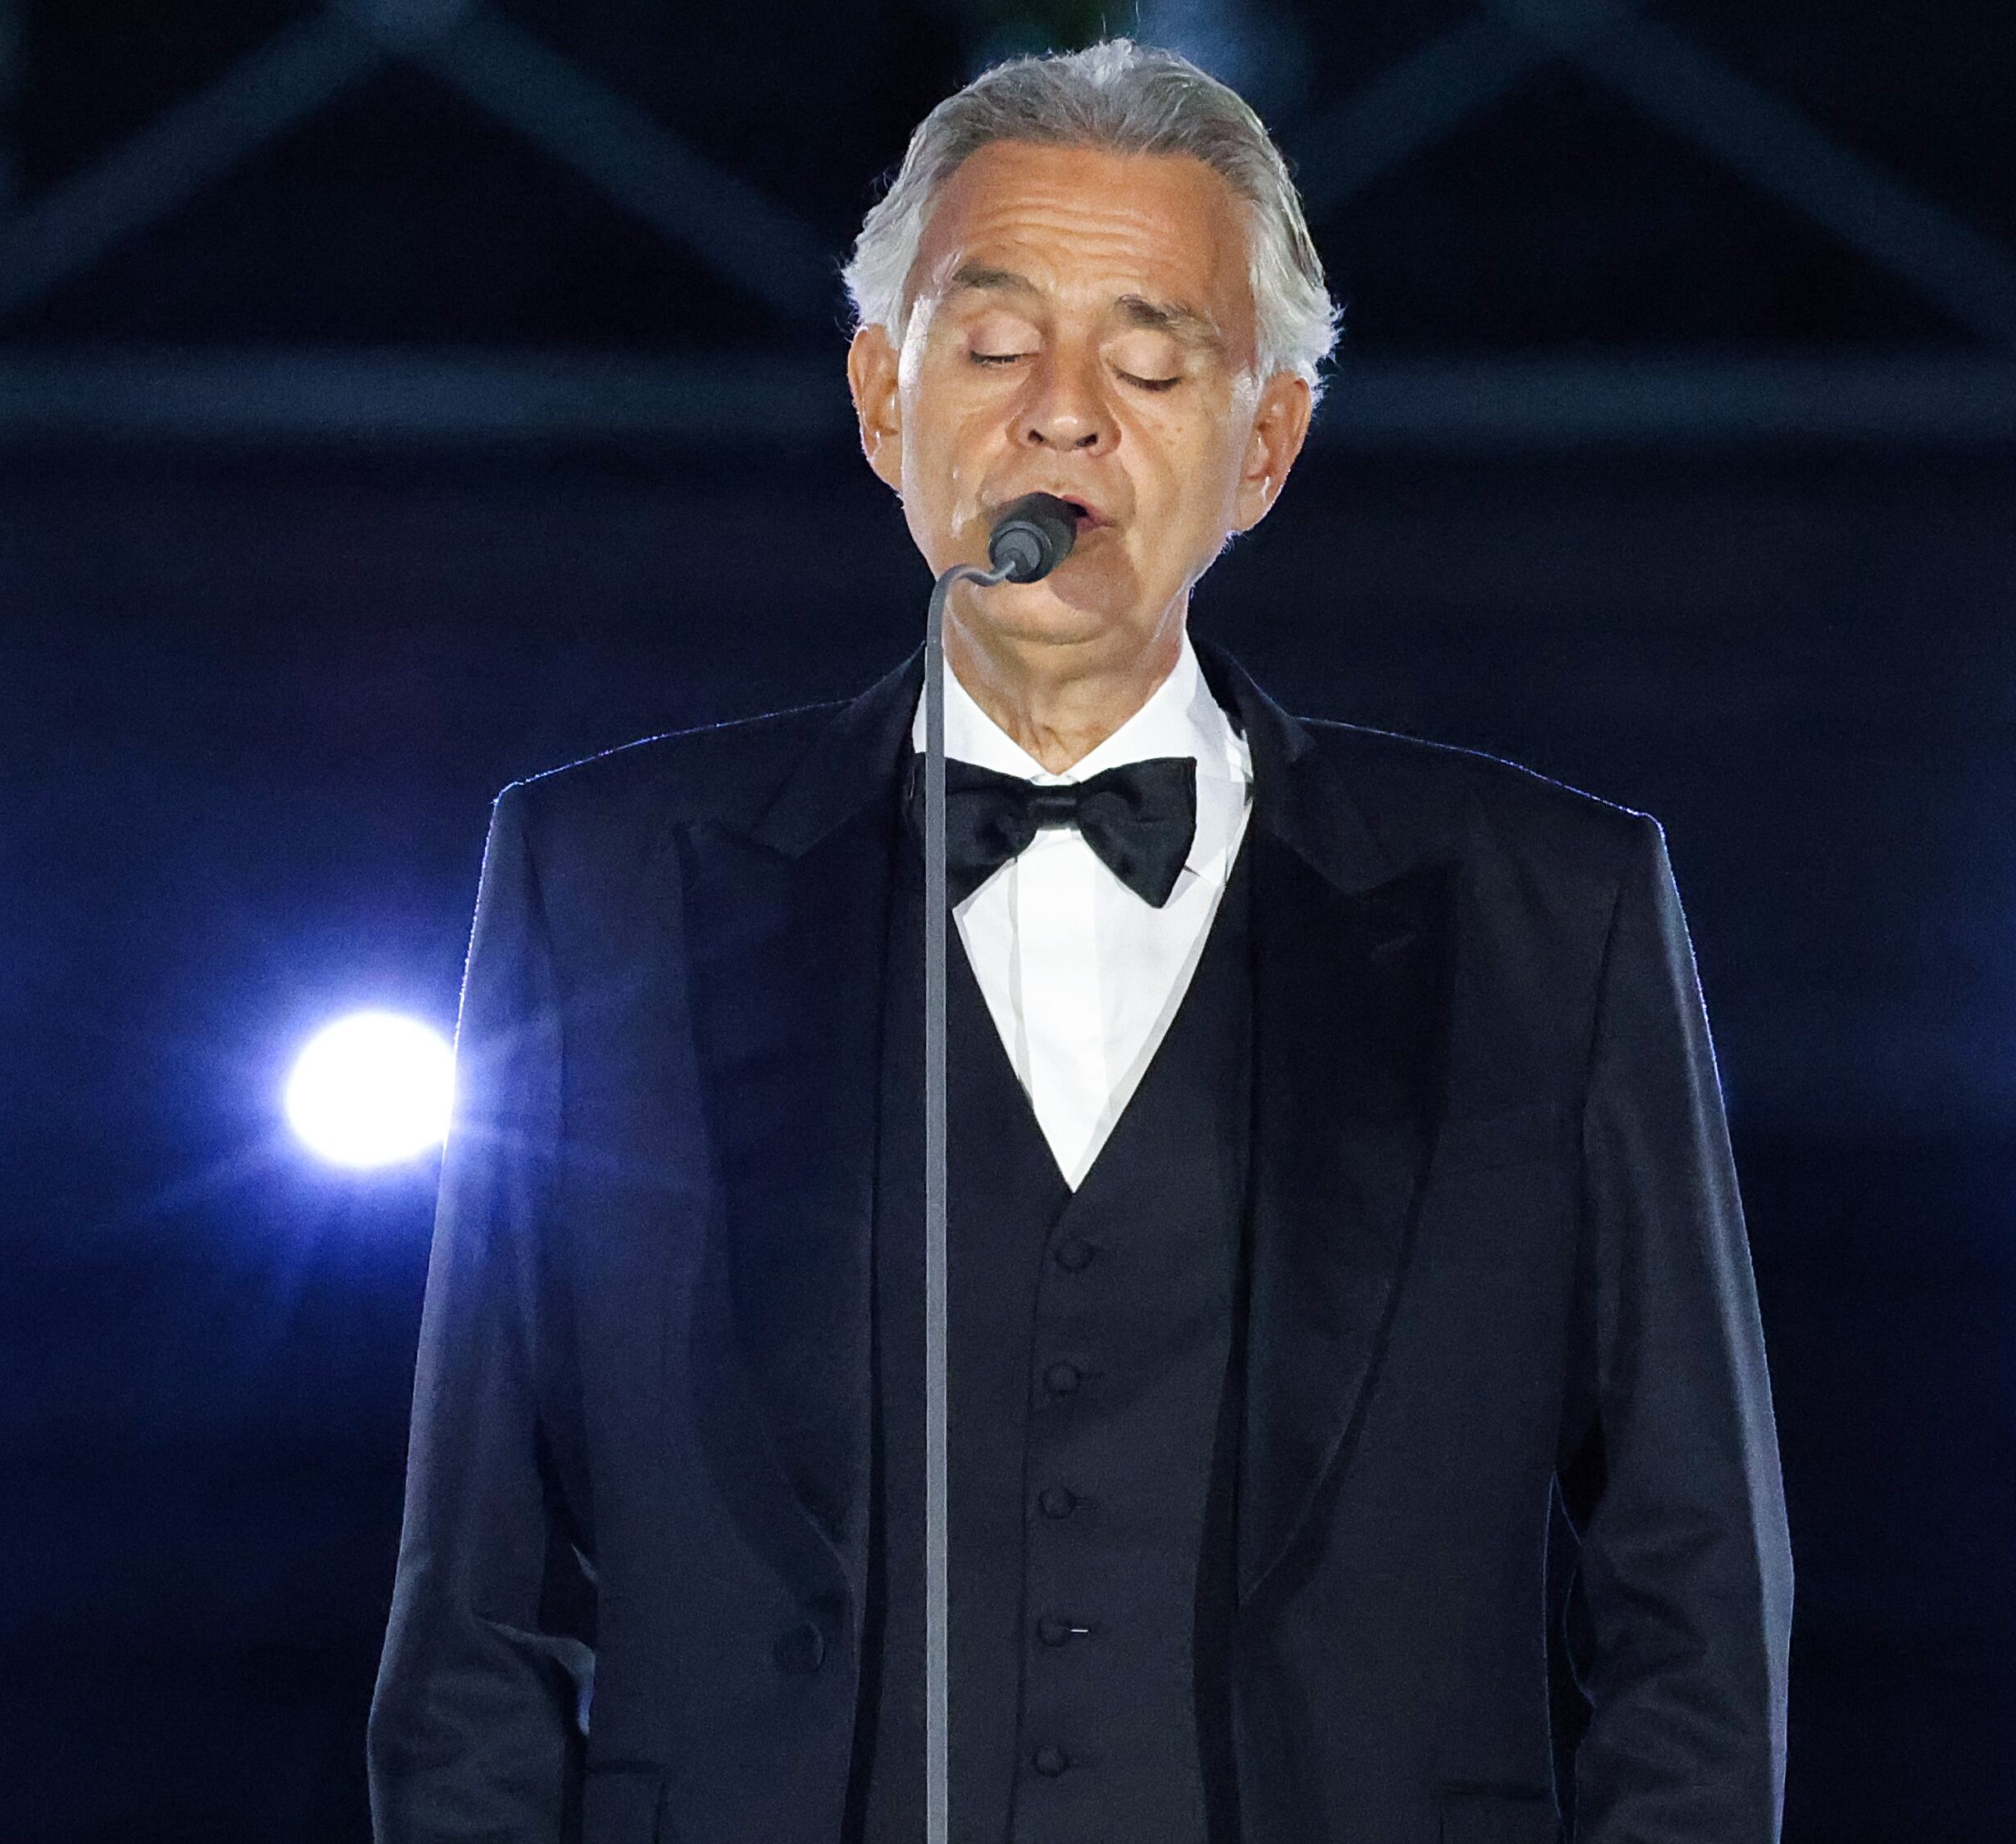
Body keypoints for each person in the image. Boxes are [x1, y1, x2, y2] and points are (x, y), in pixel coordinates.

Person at [369, 39, 1787, 1844]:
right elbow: (475, 1613)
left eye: (1149, 359)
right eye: (992, 346)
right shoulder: (601, 881)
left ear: (1265, 441)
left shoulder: (1550, 910)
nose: (1064, 417)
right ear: (881, 399)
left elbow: (1691, 1598)